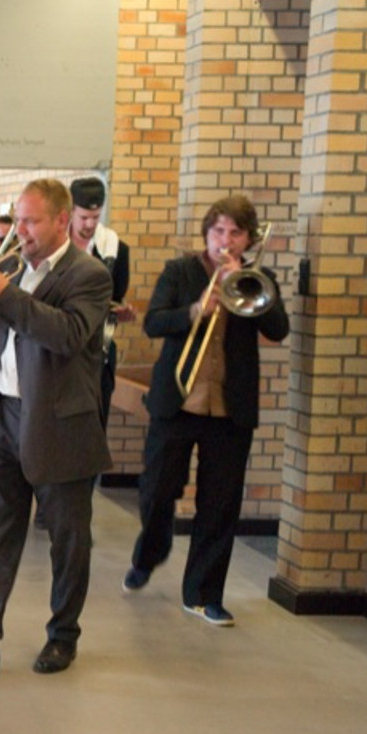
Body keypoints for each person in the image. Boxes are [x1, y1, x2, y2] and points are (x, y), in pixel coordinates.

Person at [0, 179, 112, 676]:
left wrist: (4, 294)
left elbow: (67, 334)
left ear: (61, 220)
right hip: (2, 415)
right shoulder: (8, 269)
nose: (20, 231)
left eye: (31, 221)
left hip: (59, 422)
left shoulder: (89, 275)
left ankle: (63, 637)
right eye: (18, 219)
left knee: (68, 541)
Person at [123, 194, 289, 626]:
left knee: (220, 506)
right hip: (177, 401)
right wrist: (195, 310)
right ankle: (149, 553)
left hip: (231, 411)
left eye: (235, 232)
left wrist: (246, 285)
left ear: (248, 239)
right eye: (218, 231)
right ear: (207, 233)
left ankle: (203, 595)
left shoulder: (257, 278)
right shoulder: (180, 272)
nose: (225, 240)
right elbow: (153, 322)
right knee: (157, 492)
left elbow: (279, 329)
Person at [67, 177, 134, 427]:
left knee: (95, 424)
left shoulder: (116, 250)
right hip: (61, 346)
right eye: (84, 217)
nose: (90, 224)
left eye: (95, 217)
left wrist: (119, 311)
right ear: (70, 211)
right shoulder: (56, 246)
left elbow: (116, 296)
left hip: (98, 349)